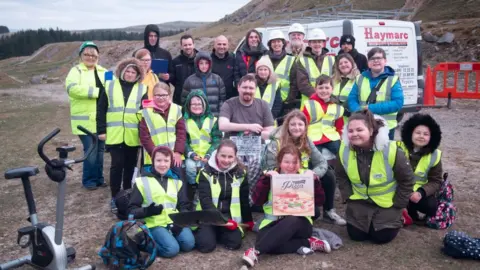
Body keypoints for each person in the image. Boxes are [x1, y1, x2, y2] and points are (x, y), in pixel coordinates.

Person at [242, 145, 330, 267]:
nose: (290, 166)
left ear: (300, 163)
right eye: (286, 162)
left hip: (300, 224)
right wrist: (266, 181)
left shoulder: (306, 176)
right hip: (272, 222)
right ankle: (308, 243)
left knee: (290, 221)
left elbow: (320, 202)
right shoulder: (271, 176)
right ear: (279, 162)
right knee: (270, 245)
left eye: (295, 162)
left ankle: (255, 251)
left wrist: (315, 182)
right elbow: (257, 201)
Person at [336, 110, 414, 244]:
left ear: (371, 130)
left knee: (382, 237)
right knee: (356, 236)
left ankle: (399, 216)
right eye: (351, 131)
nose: (354, 134)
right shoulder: (344, 150)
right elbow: (340, 176)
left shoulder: (392, 151)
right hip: (359, 200)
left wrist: (399, 204)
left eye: (359, 129)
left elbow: (407, 180)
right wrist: (348, 196)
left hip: (387, 202)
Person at [263, 109, 346, 225]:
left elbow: (322, 163)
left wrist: (312, 173)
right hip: (282, 183)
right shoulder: (276, 142)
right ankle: (280, 210)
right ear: (287, 126)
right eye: (293, 124)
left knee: (329, 174)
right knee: (314, 214)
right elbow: (269, 167)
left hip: (302, 182)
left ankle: (329, 211)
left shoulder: (306, 140)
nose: (296, 128)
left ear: (305, 126)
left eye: (300, 124)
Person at [97, 58, 147, 211]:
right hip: (115, 134)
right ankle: (115, 196)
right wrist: (101, 130)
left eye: (133, 72)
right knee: (116, 165)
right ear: (122, 71)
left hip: (133, 136)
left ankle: (126, 194)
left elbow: (145, 114)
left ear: (138, 75)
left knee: (130, 167)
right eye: (128, 71)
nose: (130, 74)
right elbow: (101, 109)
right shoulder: (110, 86)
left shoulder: (142, 89)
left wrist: (143, 134)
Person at [128, 146, 195, 258]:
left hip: (173, 222)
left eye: (166, 160)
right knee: (172, 250)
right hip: (154, 224)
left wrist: (182, 222)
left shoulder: (177, 181)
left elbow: (184, 205)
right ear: (152, 161)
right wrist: (146, 211)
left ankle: (168, 237)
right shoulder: (141, 182)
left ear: (171, 162)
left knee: (189, 244)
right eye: (158, 160)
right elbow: (131, 211)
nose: (162, 164)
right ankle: (142, 242)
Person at [219, 74, 275, 205]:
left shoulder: (262, 105)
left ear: (255, 90)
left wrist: (256, 134)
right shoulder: (229, 104)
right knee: (236, 162)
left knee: (256, 161)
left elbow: (270, 132)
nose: (247, 90)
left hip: (256, 147)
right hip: (233, 147)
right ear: (238, 88)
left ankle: (248, 196)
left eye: (251, 88)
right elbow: (222, 125)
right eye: (244, 87)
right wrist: (248, 127)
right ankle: (235, 195)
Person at [194, 140, 254, 253]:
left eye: (230, 157)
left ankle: (216, 232)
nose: (226, 160)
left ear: (235, 156)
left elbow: (243, 200)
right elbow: (205, 200)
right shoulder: (205, 172)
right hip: (208, 216)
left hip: (229, 216)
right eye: (223, 156)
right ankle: (210, 232)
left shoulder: (241, 173)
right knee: (205, 246)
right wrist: (222, 221)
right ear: (217, 154)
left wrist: (248, 220)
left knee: (235, 243)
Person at [66, 41, 108, 190]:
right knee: (90, 151)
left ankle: (99, 178)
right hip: (85, 122)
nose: (90, 57)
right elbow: (72, 89)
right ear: (81, 56)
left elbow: (112, 88)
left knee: (101, 152)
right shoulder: (75, 71)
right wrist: (96, 93)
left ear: (98, 56)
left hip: (102, 120)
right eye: (87, 55)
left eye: (93, 55)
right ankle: (89, 180)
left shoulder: (105, 71)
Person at [347, 47, 404, 140]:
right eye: (372, 59)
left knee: (385, 153)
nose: (376, 61)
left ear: (385, 61)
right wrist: (359, 112)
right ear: (368, 63)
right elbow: (352, 99)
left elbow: (397, 103)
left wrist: (370, 109)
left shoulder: (393, 79)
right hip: (364, 126)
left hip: (386, 126)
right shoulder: (360, 78)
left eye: (379, 58)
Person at [398, 113, 443, 222]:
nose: (421, 136)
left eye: (426, 134)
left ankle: (410, 209)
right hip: (398, 190)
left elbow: (436, 181)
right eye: (417, 132)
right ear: (410, 133)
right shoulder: (397, 148)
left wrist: (421, 192)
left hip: (417, 193)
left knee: (431, 206)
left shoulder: (435, 155)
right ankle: (402, 212)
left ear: (431, 137)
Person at [139, 82, 186, 179]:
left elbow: (181, 133)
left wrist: (178, 152)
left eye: (164, 95)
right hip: (154, 157)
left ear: (169, 95)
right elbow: (144, 137)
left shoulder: (176, 109)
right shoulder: (146, 113)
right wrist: (156, 155)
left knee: (178, 183)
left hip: (174, 156)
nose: (161, 98)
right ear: (153, 96)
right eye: (157, 95)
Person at [183, 90, 222, 194]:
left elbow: (217, 140)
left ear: (204, 104)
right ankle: (193, 187)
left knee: (208, 171)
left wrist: (209, 154)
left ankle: (206, 189)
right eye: (193, 104)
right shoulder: (185, 121)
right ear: (188, 105)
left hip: (208, 155)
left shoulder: (212, 120)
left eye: (199, 104)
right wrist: (190, 153)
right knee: (190, 168)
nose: (196, 106)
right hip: (193, 155)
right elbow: (184, 141)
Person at [288, 28, 335, 111]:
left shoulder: (332, 60)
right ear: (309, 43)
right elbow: (302, 84)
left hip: (329, 103)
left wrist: (326, 97)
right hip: (310, 103)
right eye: (314, 42)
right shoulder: (302, 60)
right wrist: (320, 96)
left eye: (319, 41)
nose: (317, 44)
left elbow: (335, 81)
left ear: (323, 43)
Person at [302, 75, 344, 156]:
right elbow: (303, 124)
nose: (324, 90)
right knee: (314, 158)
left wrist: (340, 137)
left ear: (332, 89)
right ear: (315, 89)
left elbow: (340, 126)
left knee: (342, 154)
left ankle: (340, 169)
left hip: (332, 137)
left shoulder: (337, 107)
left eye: (327, 88)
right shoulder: (308, 104)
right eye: (320, 88)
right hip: (312, 138)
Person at [181, 51, 226, 117]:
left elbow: (222, 100)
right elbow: (185, 101)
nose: (204, 66)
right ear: (197, 64)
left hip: (214, 117)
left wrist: (219, 115)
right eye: (201, 63)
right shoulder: (189, 81)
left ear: (210, 64)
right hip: (196, 118)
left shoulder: (217, 79)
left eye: (206, 63)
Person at [267, 30, 294, 103]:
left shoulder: (291, 59)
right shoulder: (265, 59)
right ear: (270, 44)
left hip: (285, 100)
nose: (276, 44)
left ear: (283, 43)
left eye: (278, 41)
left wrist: (289, 99)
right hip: (267, 98)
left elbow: (294, 82)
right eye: (273, 42)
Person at [332, 53, 360, 120]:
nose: (343, 65)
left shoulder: (359, 79)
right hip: (334, 119)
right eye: (340, 63)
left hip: (351, 118)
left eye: (346, 62)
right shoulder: (333, 79)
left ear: (352, 63)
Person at [172, 34, 198, 105]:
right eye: (185, 45)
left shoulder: (201, 60)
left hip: (198, 99)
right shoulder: (175, 62)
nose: (188, 47)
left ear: (193, 45)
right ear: (181, 46)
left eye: (190, 44)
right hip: (180, 100)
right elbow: (173, 80)